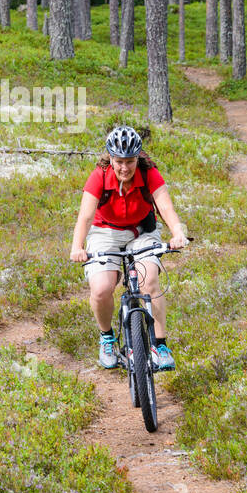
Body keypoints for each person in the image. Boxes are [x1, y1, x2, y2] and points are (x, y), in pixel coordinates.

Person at [70, 125, 188, 370]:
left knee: (149, 282)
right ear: (110, 158)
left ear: (138, 158)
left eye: (130, 161)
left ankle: (159, 344)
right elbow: (85, 216)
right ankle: (107, 338)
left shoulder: (149, 174)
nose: (124, 167)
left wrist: (178, 233)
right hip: (105, 232)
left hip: (141, 232)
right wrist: (77, 246)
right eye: (119, 161)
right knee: (102, 289)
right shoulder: (99, 176)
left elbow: (166, 208)